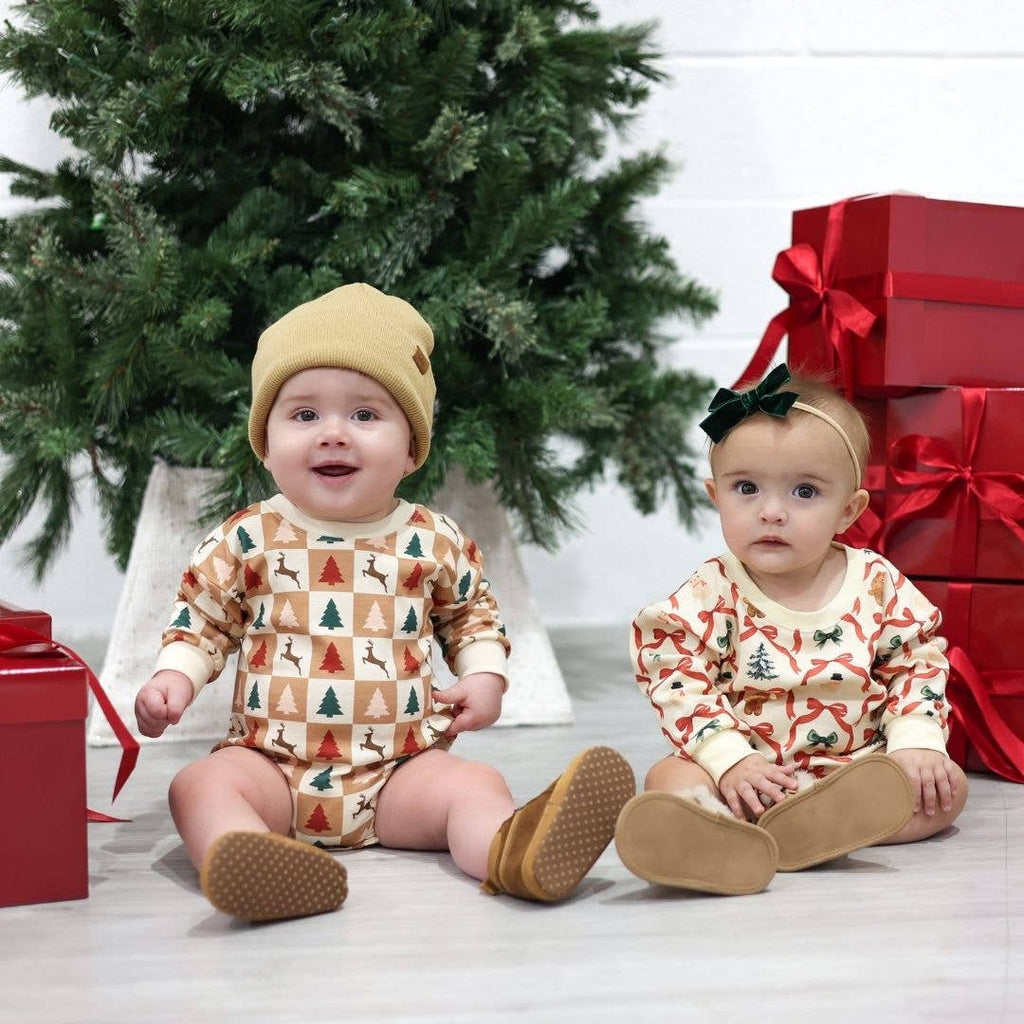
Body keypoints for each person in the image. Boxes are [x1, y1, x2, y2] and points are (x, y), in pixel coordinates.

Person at [134, 283, 634, 922]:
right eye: (304, 415)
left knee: (474, 786)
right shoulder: (247, 537)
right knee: (198, 786)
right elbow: (202, 618)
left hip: (400, 771)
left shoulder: (431, 538)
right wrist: (173, 678)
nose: (334, 435)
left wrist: (485, 677)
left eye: (366, 415)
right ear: (265, 441)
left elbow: (472, 613)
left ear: (411, 447)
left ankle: (515, 853)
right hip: (273, 769)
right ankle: (248, 856)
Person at [614, 364, 967, 895]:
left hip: (853, 772)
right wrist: (730, 760)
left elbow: (917, 664)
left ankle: (818, 829)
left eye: (804, 492)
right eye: (747, 488)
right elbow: (677, 678)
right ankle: (721, 831)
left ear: (848, 510)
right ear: (716, 497)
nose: (772, 512)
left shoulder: (877, 585)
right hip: (743, 771)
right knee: (670, 779)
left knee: (947, 788)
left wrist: (915, 743)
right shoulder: (711, 595)